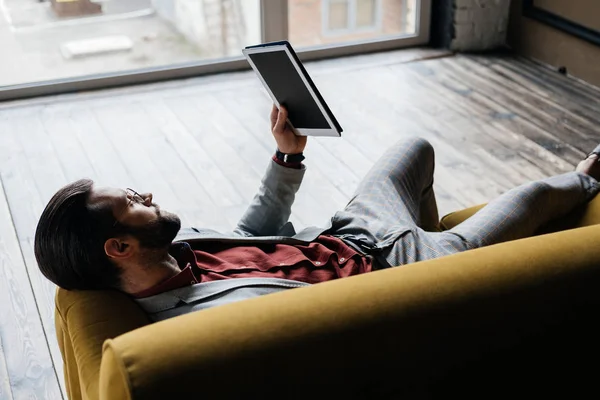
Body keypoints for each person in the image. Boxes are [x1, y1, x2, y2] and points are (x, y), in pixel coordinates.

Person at [35, 106, 600, 321]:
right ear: (117, 247)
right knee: (531, 200)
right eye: (132, 204)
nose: (148, 196)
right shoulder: (193, 319)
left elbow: (256, 231)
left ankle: (429, 234)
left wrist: (287, 153)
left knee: (414, 149)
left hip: (353, 235)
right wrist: (428, 275)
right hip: (400, 272)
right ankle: (588, 176)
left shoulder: (180, 251)